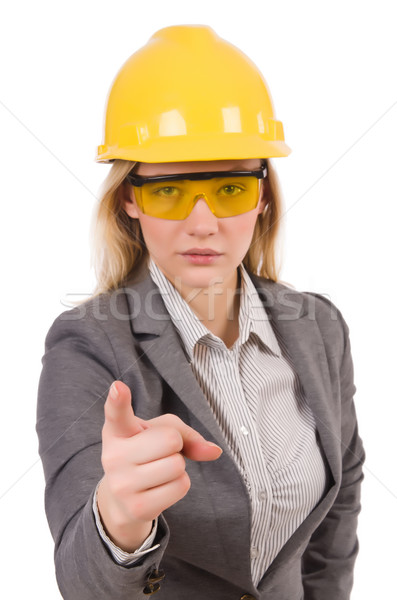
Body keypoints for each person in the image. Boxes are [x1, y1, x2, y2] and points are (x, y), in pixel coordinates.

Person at [36, 25, 365, 600]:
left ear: (263, 197)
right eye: (170, 191)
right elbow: (80, 580)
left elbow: (341, 503)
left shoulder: (319, 327)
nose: (203, 222)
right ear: (129, 199)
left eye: (230, 189)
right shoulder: (86, 345)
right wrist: (118, 521)